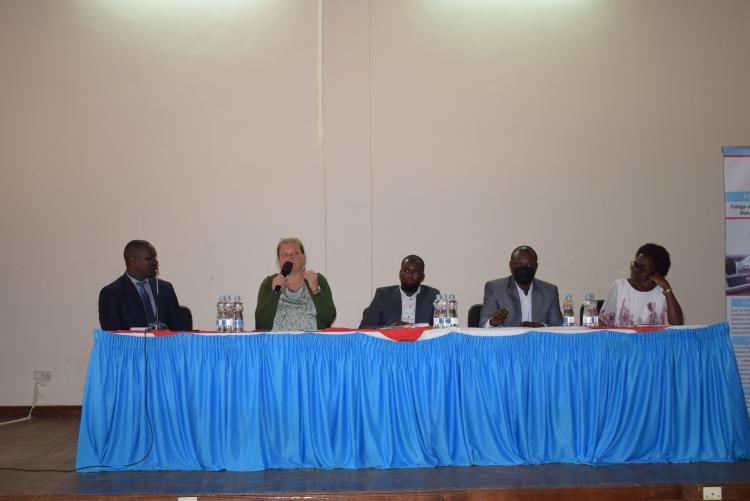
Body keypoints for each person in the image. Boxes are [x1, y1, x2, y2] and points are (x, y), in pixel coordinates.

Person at [255, 237, 336, 331]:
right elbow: (261, 321)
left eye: (295, 253)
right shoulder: (269, 282)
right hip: (277, 343)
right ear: (279, 260)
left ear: (304, 258)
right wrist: (275, 293)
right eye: (285, 254)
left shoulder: (317, 279)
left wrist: (316, 290)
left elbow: (329, 318)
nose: (290, 257)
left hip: (311, 343)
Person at [99, 240, 182, 330]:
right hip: (131, 344)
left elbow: (177, 327)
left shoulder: (165, 288)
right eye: (149, 259)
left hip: (165, 343)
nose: (155, 262)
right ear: (133, 261)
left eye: (155, 258)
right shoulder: (112, 293)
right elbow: (112, 335)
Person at [599, 243, 684, 326]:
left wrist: (667, 288)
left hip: (652, 340)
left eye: (643, 268)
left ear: (657, 274)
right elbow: (603, 323)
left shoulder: (663, 292)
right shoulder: (619, 287)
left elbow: (677, 325)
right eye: (635, 265)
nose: (636, 270)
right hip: (621, 340)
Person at [479, 245, 563, 328]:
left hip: (538, 340)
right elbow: (483, 323)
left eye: (529, 265)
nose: (524, 268)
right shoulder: (495, 289)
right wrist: (493, 322)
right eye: (518, 265)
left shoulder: (549, 291)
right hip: (508, 340)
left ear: (536, 267)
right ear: (511, 266)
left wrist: (542, 326)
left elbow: (558, 326)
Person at [359, 255, 440, 328]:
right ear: (400, 273)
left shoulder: (432, 295)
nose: (409, 275)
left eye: (415, 272)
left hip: (420, 342)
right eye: (406, 271)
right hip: (391, 342)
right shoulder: (383, 295)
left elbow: (441, 328)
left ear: (422, 276)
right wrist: (389, 329)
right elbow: (364, 327)